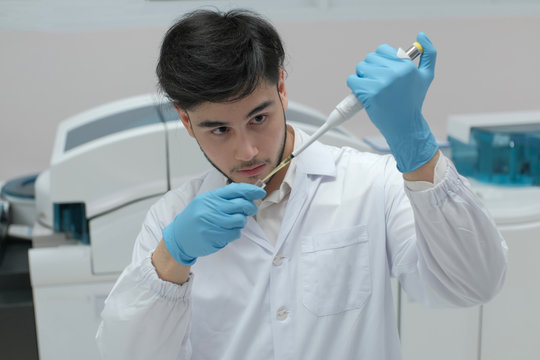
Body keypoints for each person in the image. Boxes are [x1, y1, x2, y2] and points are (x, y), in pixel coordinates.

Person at [96, 8, 507, 360]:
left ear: (281, 87)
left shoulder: (370, 185)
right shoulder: (169, 221)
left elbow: (473, 284)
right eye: (219, 129)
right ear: (186, 121)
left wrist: (417, 146)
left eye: (259, 118)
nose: (247, 152)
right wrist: (171, 259)